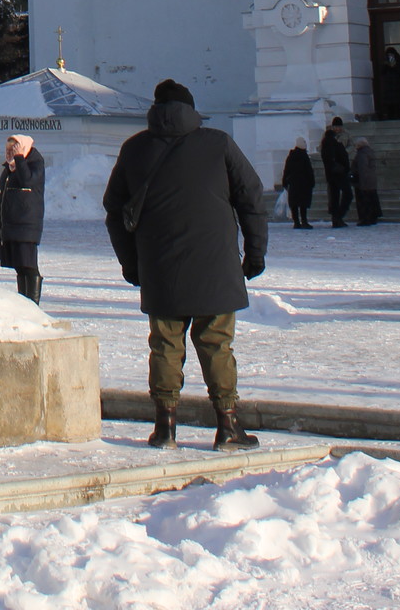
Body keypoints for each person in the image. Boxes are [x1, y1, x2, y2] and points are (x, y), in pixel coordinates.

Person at [103, 78, 267, 453]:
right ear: (192, 111)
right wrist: (255, 252)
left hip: (160, 270)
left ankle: (165, 429)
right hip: (216, 266)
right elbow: (252, 197)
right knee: (216, 345)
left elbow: (114, 210)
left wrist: (132, 264)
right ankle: (227, 427)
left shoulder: (135, 149)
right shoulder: (218, 143)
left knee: (164, 346)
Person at [0, 133, 46, 305]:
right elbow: (2, 199)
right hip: (11, 226)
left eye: (14, 149)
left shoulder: (35, 164)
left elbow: (27, 180)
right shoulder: (8, 170)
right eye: (7, 149)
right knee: (20, 267)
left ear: (24, 149)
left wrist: (20, 159)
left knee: (29, 266)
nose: (9, 153)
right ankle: (25, 305)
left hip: (27, 226)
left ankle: (33, 305)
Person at [320, 118, 352, 227]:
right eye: (336, 127)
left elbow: (351, 146)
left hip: (333, 172)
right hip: (338, 171)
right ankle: (337, 217)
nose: (338, 129)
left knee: (335, 196)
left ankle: (336, 218)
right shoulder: (329, 140)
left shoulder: (345, 135)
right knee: (344, 194)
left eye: (339, 126)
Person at [281, 138, 315, 229]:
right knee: (303, 204)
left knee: (294, 203)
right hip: (304, 183)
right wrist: (312, 181)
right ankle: (304, 221)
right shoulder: (304, 156)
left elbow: (286, 169)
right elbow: (309, 170)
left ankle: (296, 222)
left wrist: (284, 181)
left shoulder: (291, 156)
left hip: (293, 183)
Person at [353, 139, 382, 225]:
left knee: (365, 200)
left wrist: (361, 182)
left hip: (364, 180)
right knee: (372, 198)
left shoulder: (362, 154)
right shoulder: (369, 152)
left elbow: (362, 168)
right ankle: (373, 217)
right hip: (371, 179)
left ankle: (366, 219)